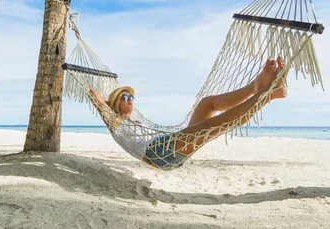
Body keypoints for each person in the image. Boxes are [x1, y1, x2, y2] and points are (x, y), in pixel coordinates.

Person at [89, 56, 288, 170]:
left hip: (167, 143)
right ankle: (268, 94)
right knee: (218, 124)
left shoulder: (134, 120)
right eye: (124, 97)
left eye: (131, 96)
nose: (129, 99)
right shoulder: (115, 121)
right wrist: (108, 104)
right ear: (115, 104)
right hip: (157, 152)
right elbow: (93, 94)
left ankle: (255, 87)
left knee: (207, 104)